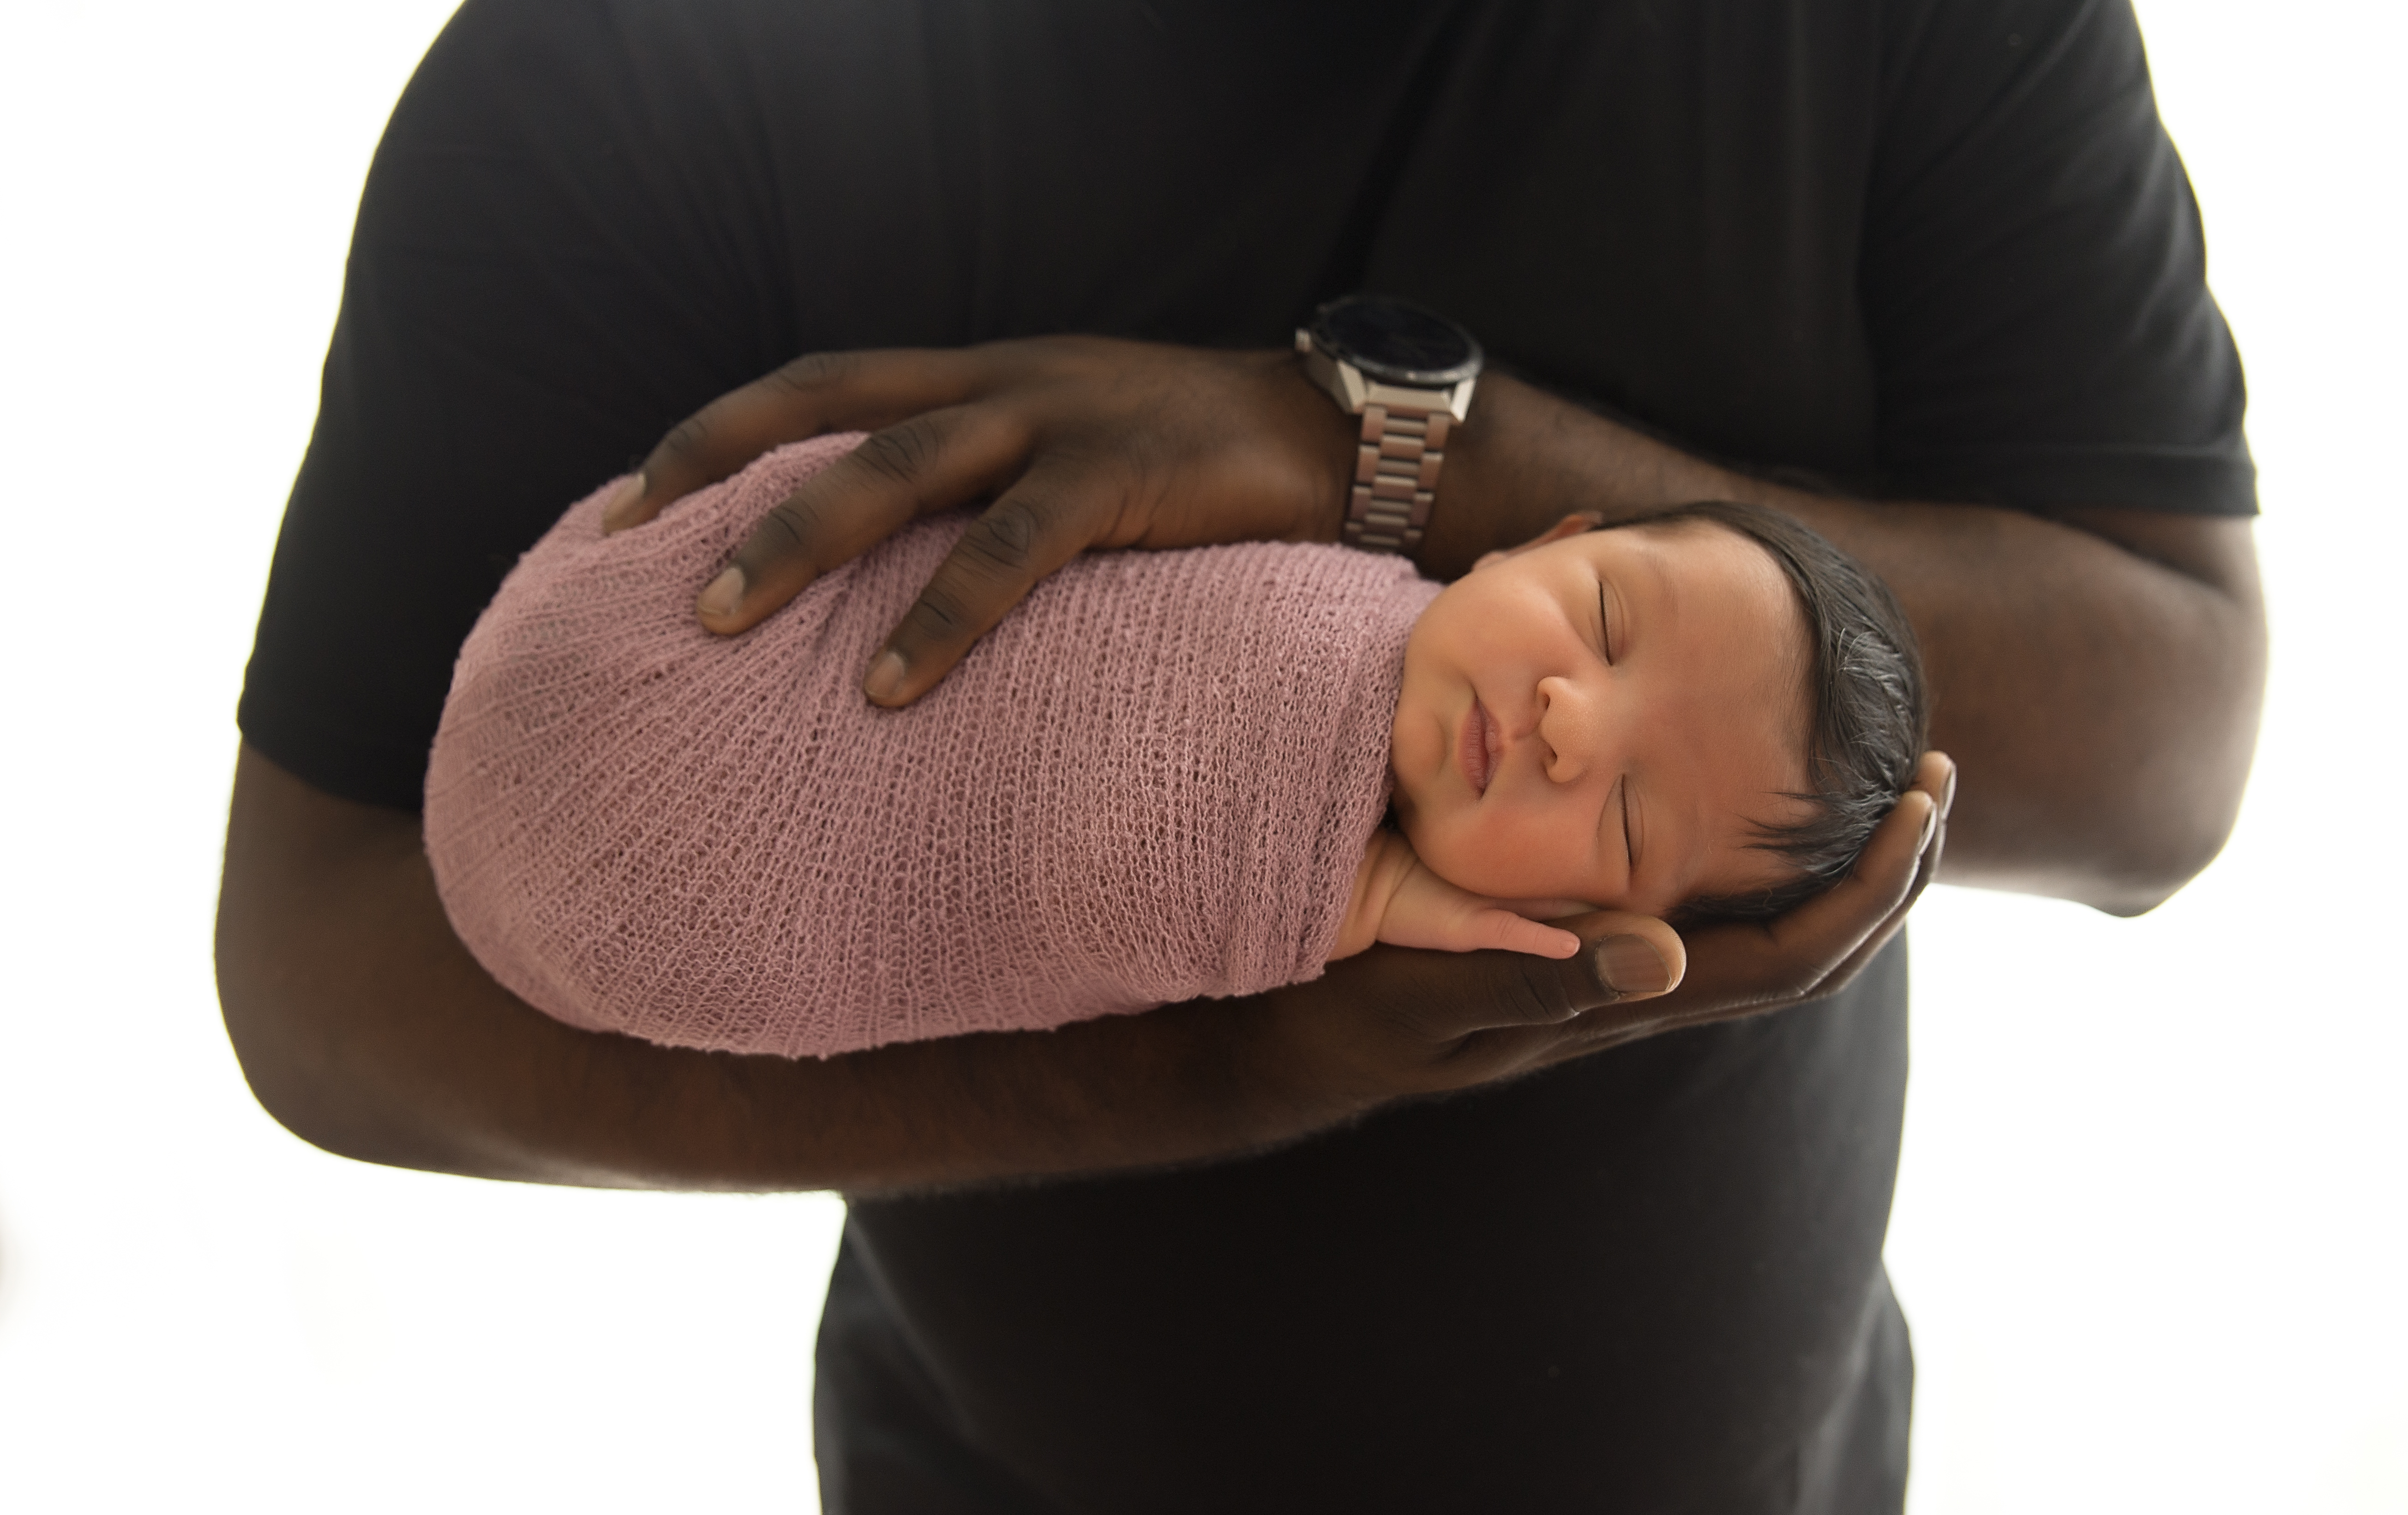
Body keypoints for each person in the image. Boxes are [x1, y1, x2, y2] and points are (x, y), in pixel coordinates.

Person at [215, 2, 2263, 1509]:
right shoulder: (637, 75)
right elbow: (325, 974)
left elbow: (2164, 739)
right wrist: (1238, 1052)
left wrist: (1385, 448)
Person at [423, 433, 1928, 1054]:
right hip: (753, 667)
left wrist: (1353, 902)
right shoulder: (1317, 543)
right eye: (1601, 619)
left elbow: (1090, 871)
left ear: (1588, 914)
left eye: (1625, 818)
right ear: (1546, 536)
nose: (1565, 722)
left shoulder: (1334, 907)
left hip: (730, 871)